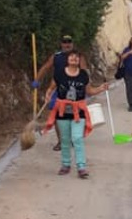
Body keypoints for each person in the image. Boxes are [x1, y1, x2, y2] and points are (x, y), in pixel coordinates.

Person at [43, 50, 109, 179]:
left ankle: (81, 167)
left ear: (79, 61)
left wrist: (101, 88)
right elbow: (51, 88)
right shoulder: (59, 74)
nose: (74, 58)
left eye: (77, 57)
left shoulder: (83, 75)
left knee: (77, 138)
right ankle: (66, 164)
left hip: (79, 111)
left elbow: (89, 91)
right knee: (65, 140)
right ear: (67, 60)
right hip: (62, 112)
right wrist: (47, 95)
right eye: (71, 56)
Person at [33, 35, 88, 151]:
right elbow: (45, 67)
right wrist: (36, 80)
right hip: (57, 89)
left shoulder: (78, 57)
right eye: (64, 42)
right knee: (57, 115)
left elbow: (84, 71)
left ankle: (73, 137)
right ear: (61, 44)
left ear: (72, 43)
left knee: (73, 115)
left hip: (74, 89)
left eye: (69, 42)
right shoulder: (56, 56)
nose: (67, 44)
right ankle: (61, 141)